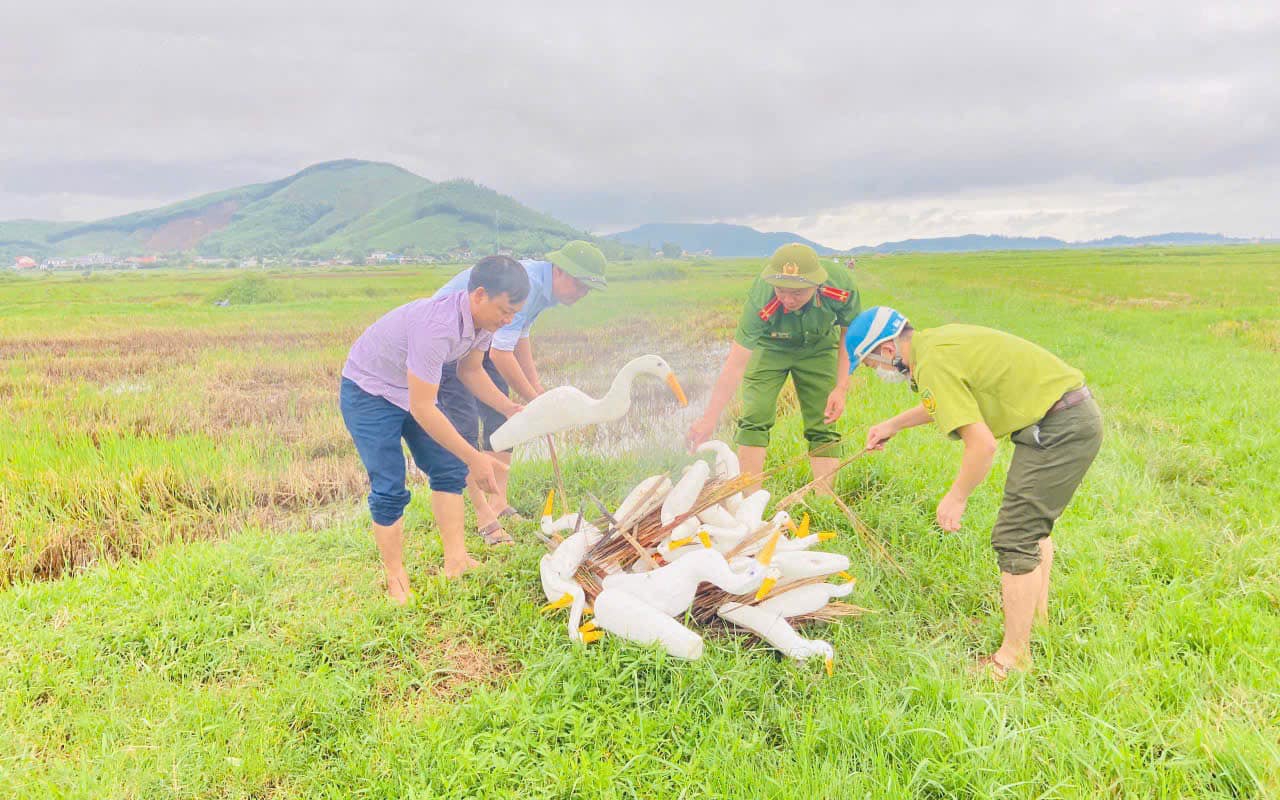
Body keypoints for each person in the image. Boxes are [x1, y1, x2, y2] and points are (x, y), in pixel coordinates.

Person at [846, 306, 1103, 677]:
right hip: (1067, 415)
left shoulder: (932, 361)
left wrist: (957, 496)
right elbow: (947, 401)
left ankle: (1013, 659)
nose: (879, 373)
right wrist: (893, 424)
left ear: (887, 351)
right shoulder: (935, 344)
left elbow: (981, 445)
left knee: (1015, 536)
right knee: (1033, 529)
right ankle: (1037, 625)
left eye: (872, 365)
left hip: (1060, 425)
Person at [339, 256, 529, 603]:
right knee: (390, 484)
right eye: (505, 310)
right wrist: (476, 456)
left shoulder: (484, 326)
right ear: (480, 295)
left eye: (515, 313)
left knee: (448, 468)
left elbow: (470, 372)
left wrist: (507, 407)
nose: (508, 320)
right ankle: (396, 577)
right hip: (369, 391)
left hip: (409, 390)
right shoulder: (437, 326)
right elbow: (423, 408)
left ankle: (456, 561)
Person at [433, 241, 608, 544]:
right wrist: (533, 400)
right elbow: (501, 355)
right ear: (562, 272)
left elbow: (518, 337)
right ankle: (483, 517)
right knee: (462, 429)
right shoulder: (526, 284)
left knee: (504, 422)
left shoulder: (541, 290)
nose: (582, 295)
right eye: (581, 286)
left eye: (588, 290)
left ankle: (497, 502)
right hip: (446, 345)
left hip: (478, 341)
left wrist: (535, 388)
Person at [685, 243, 860, 494]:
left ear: (816, 284)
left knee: (823, 419)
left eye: (797, 293)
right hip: (771, 346)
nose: (788, 299)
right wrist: (709, 418)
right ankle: (749, 502)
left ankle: (825, 501)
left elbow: (849, 336)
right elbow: (735, 364)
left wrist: (841, 387)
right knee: (755, 415)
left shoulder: (841, 285)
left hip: (818, 346)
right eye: (781, 290)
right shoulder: (762, 296)